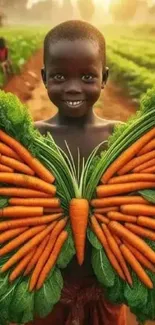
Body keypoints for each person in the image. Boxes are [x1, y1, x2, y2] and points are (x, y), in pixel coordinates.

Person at [31, 20, 127, 325]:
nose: (73, 87)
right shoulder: (31, 140)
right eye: (59, 76)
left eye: (87, 76)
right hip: (47, 293)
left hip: (106, 295)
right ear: (44, 78)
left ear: (104, 78)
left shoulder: (121, 139)